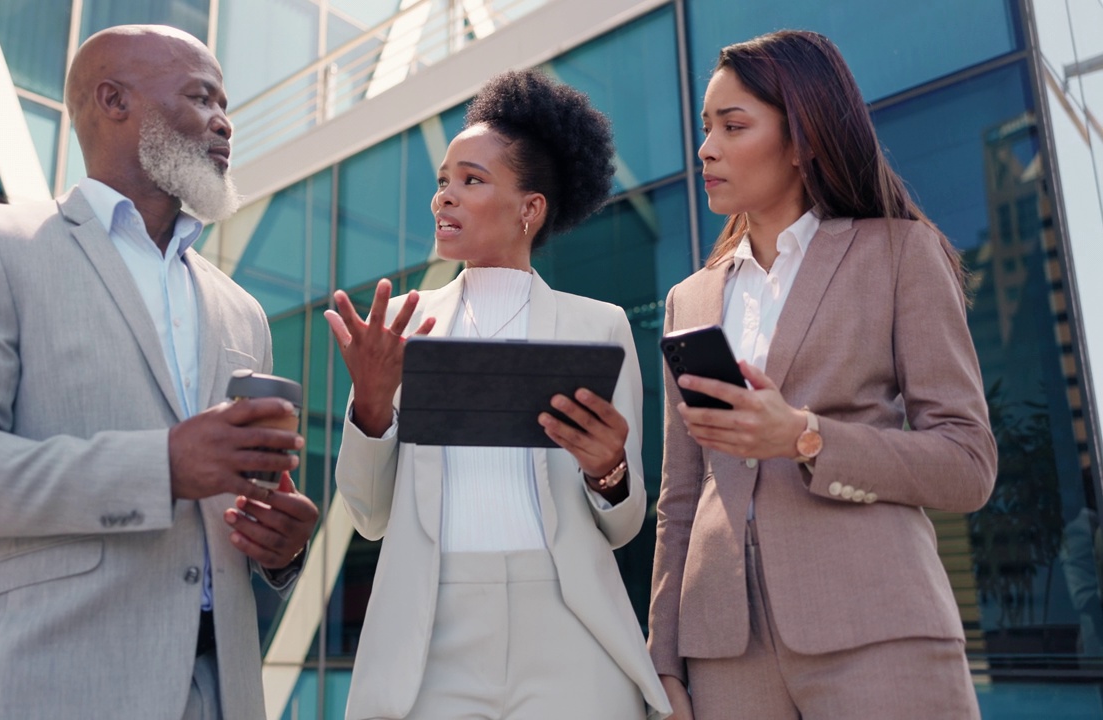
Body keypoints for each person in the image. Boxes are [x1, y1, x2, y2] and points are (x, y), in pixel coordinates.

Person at [0, 25, 319, 720]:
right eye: (203, 96)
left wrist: (279, 548)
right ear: (114, 100)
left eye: (225, 103)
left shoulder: (244, 312)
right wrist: (162, 467)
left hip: (224, 692)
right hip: (59, 686)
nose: (225, 122)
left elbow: (231, 503)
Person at [648, 30, 998, 720]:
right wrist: (662, 660)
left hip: (876, 629)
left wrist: (806, 437)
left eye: (733, 125)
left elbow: (967, 462)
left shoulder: (900, 253)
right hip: (724, 655)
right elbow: (680, 498)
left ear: (802, 138)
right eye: (705, 128)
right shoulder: (689, 300)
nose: (706, 149)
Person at [324, 69, 670, 719]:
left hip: (568, 626)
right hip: (431, 635)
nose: (444, 199)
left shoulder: (599, 327)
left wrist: (609, 471)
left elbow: (624, 526)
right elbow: (369, 516)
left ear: (529, 209)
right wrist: (371, 407)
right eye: (442, 182)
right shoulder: (402, 323)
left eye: (471, 181)